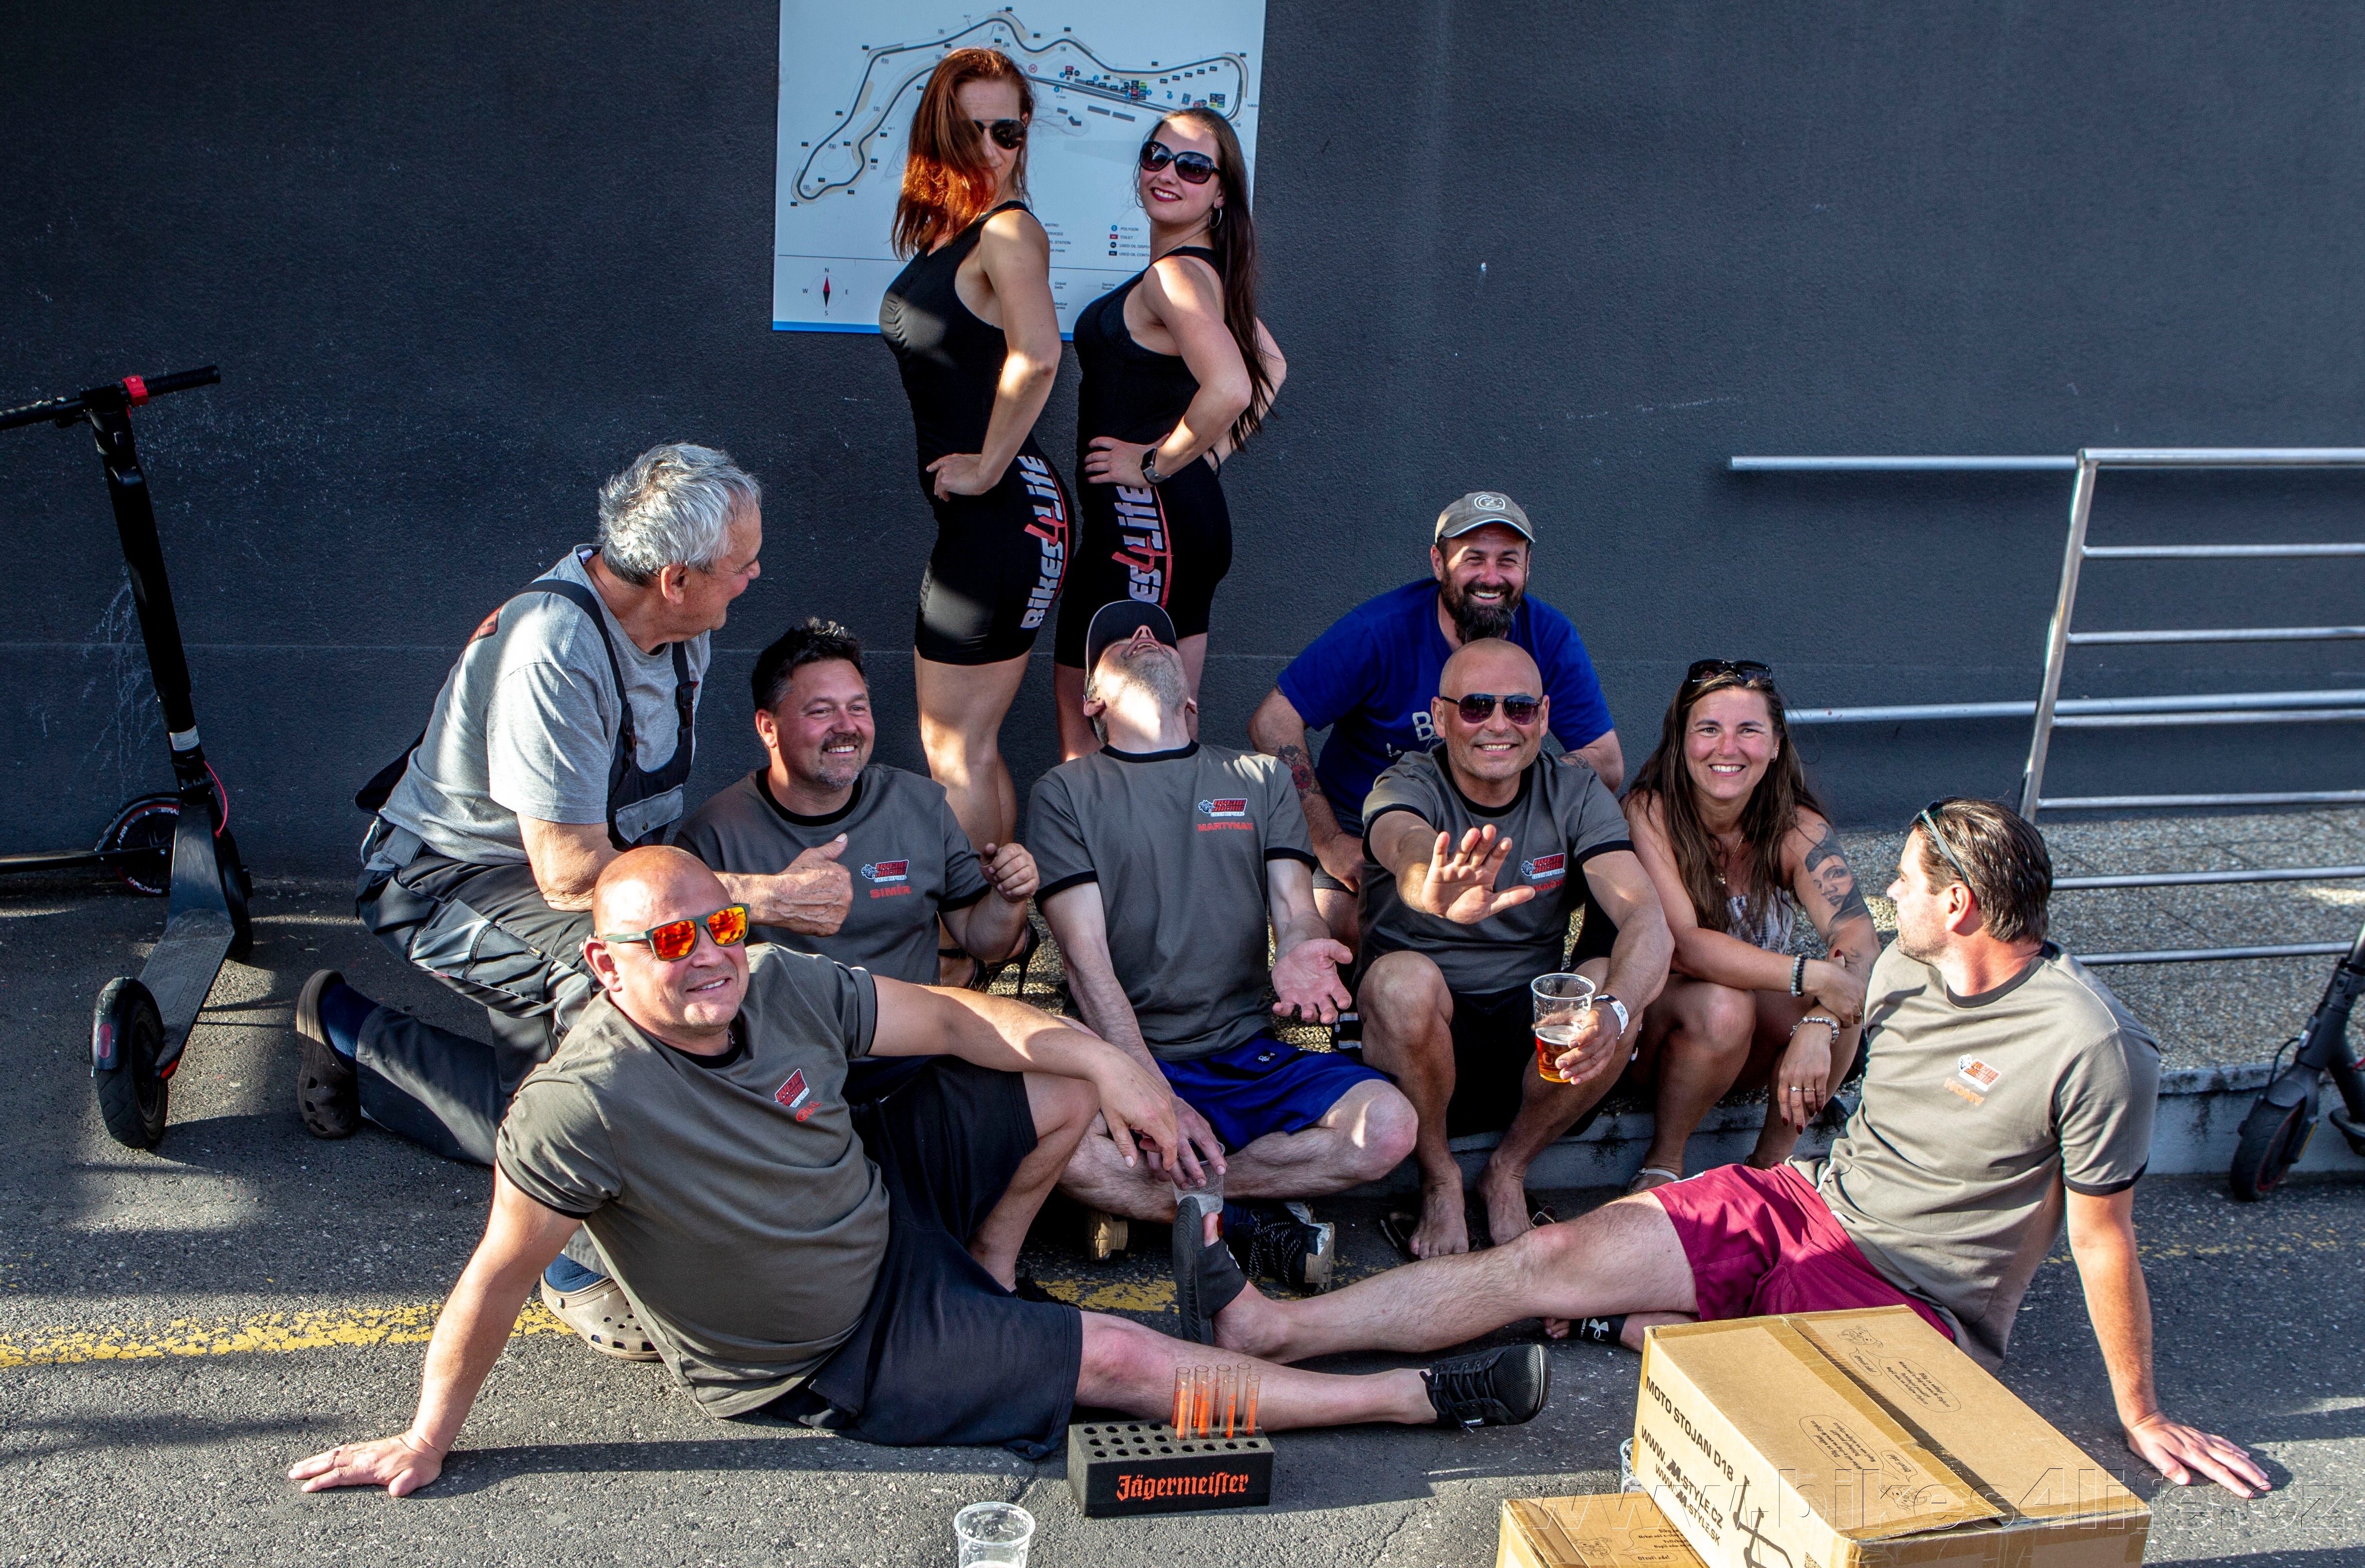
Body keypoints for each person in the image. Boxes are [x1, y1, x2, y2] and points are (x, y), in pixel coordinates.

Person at [285, 849, 1552, 1495]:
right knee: (1118, 1363)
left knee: (1055, 1081)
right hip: (834, 1349)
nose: (708, 954)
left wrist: (1115, 1069)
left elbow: (951, 1015)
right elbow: (498, 1274)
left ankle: (991, 1277)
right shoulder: (583, 1104)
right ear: (607, 967)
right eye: (669, 941)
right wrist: (427, 1436)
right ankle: (1406, 1398)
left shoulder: (770, 980)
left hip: (887, 1218)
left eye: (718, 923)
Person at [1201, 799, 2274, 1501]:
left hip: (1918, 1301)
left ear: (1959, 903)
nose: (1888, 897)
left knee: (1790, 1435)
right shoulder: (1908, 968)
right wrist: (1818, 1020)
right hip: (1803, 1209)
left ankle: (1661, 1328)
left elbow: (2102, 1240)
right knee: (1545, 1257)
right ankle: (1282, 1330)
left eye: (1907, 882)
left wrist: (2140, 1410)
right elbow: (1837, 987)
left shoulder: (2093, 1045)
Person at [294, 445, 851, 1168]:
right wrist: (763, 898)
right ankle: (350, 1033)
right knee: (619, 994)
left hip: (570, 862)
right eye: (742, 565)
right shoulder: (555, 653)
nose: (755, 577)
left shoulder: (679, 628)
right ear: (676, 579)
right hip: (449, 880)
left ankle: (584, 1116)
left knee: (551, 1107)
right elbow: (569, 876)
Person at [1031, 603, 1418, 1301]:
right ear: (1093, 701)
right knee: (1049, 1141)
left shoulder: (1259, 778)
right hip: (1125, 1054)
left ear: (1191, 699)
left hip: (1245, 1051)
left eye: (1158, 635)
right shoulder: (1066, 792)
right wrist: (1152, 1094)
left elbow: (1296, 912)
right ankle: (1244, 1222)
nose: (1145, 635)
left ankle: (1169, 1199)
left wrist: (1300, 949)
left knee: (1389, 1129)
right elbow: (1086, 967)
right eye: (1120, 642)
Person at [1355, 639, 1671, 1259]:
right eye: (1476, 706)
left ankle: (1509, 1168)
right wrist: (1429, 883)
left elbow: (1645, 914)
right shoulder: (1408, 780)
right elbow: (1402, 837)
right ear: (1441, 717)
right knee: (1402, 982)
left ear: (1544, 717)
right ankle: (1439, 1177)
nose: (1499, 724)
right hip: (1420, 1037)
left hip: (1528, 1029)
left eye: (1519, 708)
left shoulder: (1574, 790)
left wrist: (1615, 1011)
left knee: (1614, 981)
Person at [1251, 492, 1620, 952]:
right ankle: (1368, 996)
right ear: (1439, 563)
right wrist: (1328, 840)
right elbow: (1273, 721)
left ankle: (1564, 974)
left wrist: (1519, 787)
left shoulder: (1550, 634)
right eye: (1473, 559)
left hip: (1496, 824)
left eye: (1508, 560)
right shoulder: (1380, 629)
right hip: (1368, 819)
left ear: (1528, 566)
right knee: (1339, 922)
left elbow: (1606, 760)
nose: (1491, 577)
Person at [1050, 108, 1286, 759]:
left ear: (1221, 192)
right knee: (1165, 722)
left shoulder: (1176, 275)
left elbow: (1234, 386)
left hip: (1144, 525)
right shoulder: (1201, 272)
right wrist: (1203, 459)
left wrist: (1156, 464)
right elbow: (1271, 366)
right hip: (1169, 525)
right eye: (1156, 157)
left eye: (1193, 166)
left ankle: (1105, 835)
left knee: (1094, 722)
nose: (1168, 173)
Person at [881, 46, 1070, 855]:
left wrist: (987, 465)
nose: (991, 148)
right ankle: (993, 916)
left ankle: (961, 922)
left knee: (955, 748)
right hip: (1000, 523)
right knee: (968, 745)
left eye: (1007, 131)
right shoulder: (956, 236)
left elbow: (1040, 354)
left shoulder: (1008, 231)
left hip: (1002, 516)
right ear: (938, 135)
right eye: (971, 131)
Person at [1615, 660, 1880, 1195]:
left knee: (1846, 1002)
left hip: (1749, 1043)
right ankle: (1664, 1162)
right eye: (1709, 729)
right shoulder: (1650, 813)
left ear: (1776, 745)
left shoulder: (1797, 828)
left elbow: (1860, 938)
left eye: (1749, 730)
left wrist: (1820, 1020)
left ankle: (1769, 1171)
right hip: (1661, 1034)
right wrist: (1812, 976)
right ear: (1681, 740)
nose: (1727, 748)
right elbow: (1685, 948)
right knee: (1727, 1005)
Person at [675, 618, 1037, 992]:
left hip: (914, 1024)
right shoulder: (716, 834)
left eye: (858, 708)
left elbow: (985, 942)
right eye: (822, 711)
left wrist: (1008, 897)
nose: (847, 726)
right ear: (769, 728)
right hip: (785, 1027)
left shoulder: (920, 804)